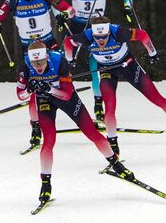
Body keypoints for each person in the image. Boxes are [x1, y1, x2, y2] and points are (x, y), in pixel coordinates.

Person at [63, 16, 166, 157]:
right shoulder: (86, 36)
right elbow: (68, 42)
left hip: (129, 66)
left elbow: (142, 35)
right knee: (110, 107)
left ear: (108, 32)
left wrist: (152, 53)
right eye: (97, 37)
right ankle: (113, 144)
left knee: (156, 98)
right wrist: (69, 60)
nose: (100, 41)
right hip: (107, 70)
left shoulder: (118, 32)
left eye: (104, 37)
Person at [17, 41, 134, 203]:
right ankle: (45, 185)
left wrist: (48, 88)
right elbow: (20, 95)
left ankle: (116, 164)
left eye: (41, 62)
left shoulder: (59, 61)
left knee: (91, 133)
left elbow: (67, 94)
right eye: (34, 63)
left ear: (47, 57)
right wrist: (30, 89)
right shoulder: (25, 67)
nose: (38, 66)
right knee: (49, 141)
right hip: (45, 101)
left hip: (66, 99)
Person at [0, 0, 76, 148]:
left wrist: (63, 16)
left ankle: (75, 109)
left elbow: (70, 10)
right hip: (29, 48)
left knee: (62, 77)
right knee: (34, 86)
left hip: (48, 43)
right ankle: (36, 127)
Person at [55, 0, 134, 122]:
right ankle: (56, 98)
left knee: (95, 66)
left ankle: (98, 103)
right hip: (75, 25)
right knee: (63, 61)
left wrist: (127, 7)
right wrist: (60, 15)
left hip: (97, 27)